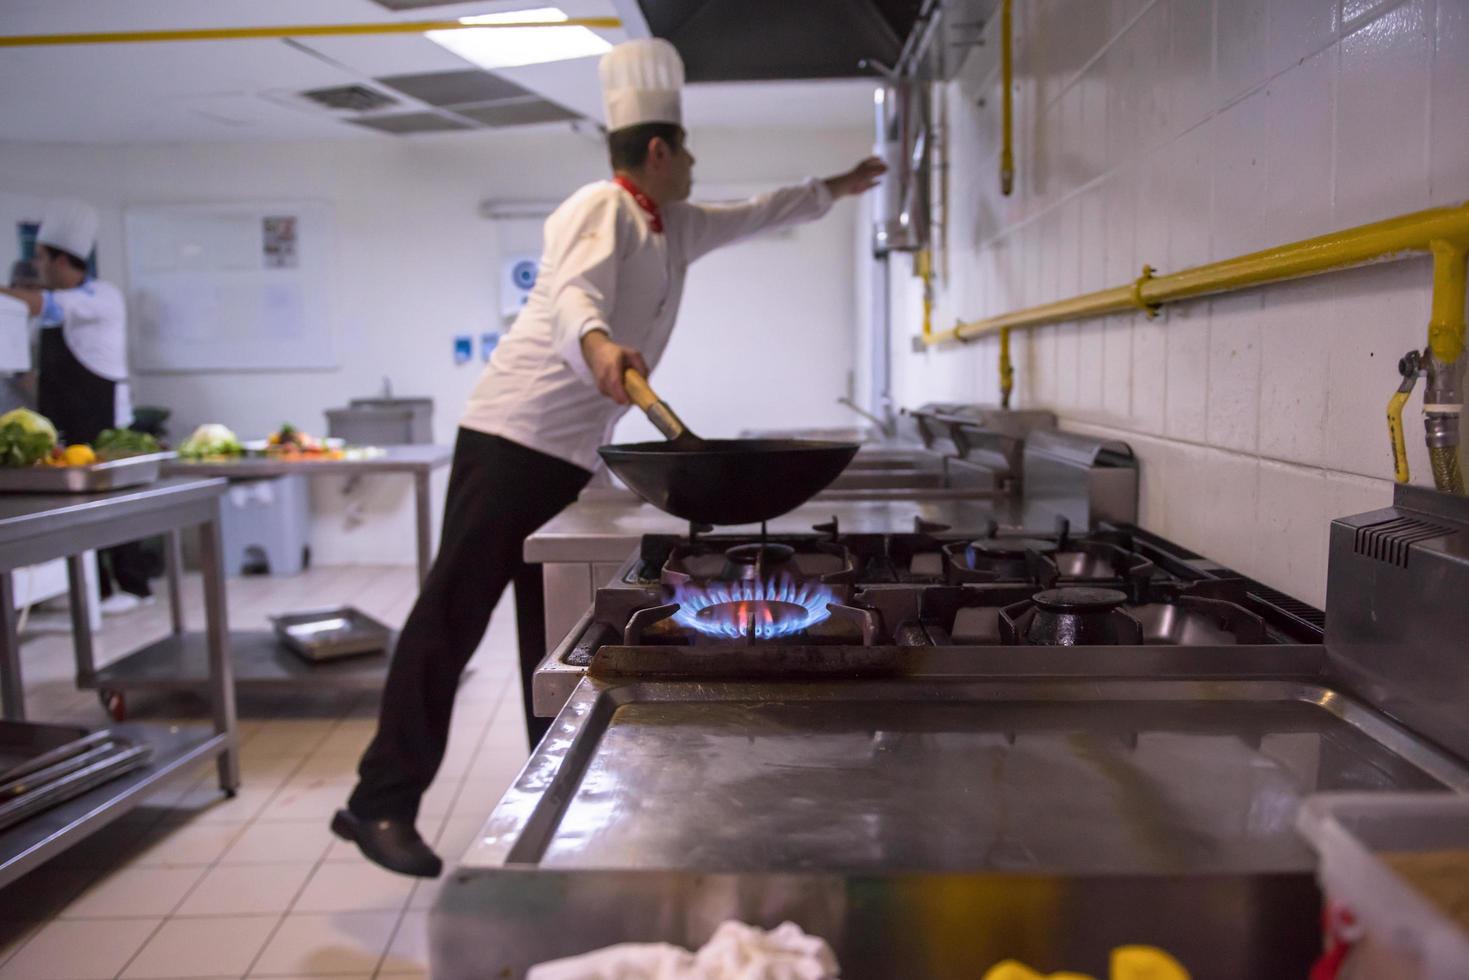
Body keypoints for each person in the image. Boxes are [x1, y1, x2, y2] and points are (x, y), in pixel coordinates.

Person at [331, 38, 884, 878]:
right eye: (687, 150)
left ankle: (545, 810)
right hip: (513, 438)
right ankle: (376, 805)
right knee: (452, 613)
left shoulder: (675, 225)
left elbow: (758, 210)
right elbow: (571, 299)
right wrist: (595, 344)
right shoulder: (602, 206)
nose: (696, 164)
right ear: (657, 152)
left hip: (566, 455)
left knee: (540, 639)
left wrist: (835, 190)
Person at [0, 199, 153, 612]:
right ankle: (98, 591)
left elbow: (40, 305)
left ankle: (133, 586)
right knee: (77, 516)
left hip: (107, 424)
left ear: (59, 259)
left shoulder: (100, 297)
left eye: (41, 258)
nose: (38, 268)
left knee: (117, 511)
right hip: (64, 423)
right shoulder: (52, 307)